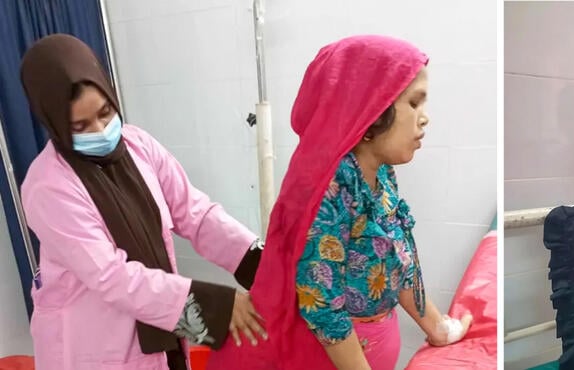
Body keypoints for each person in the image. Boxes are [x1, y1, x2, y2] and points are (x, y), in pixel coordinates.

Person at [206, 35, 472, 370]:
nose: (425, 118)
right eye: (414, 104)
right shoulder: (329, 187)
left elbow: (396, 262)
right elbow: (321, 303)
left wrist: (438, 328)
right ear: (372, 109)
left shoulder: (381, 175)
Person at [19, 34, 266, 370]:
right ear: (55, 123)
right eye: (81, 126)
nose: (101, 130)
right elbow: (112, 276)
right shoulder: (48, 186)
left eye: (105, 113)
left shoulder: (138, 146)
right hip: (93, 345)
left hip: (158, 324)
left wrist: (260, 265)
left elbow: (195, 213)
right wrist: (215, 310)